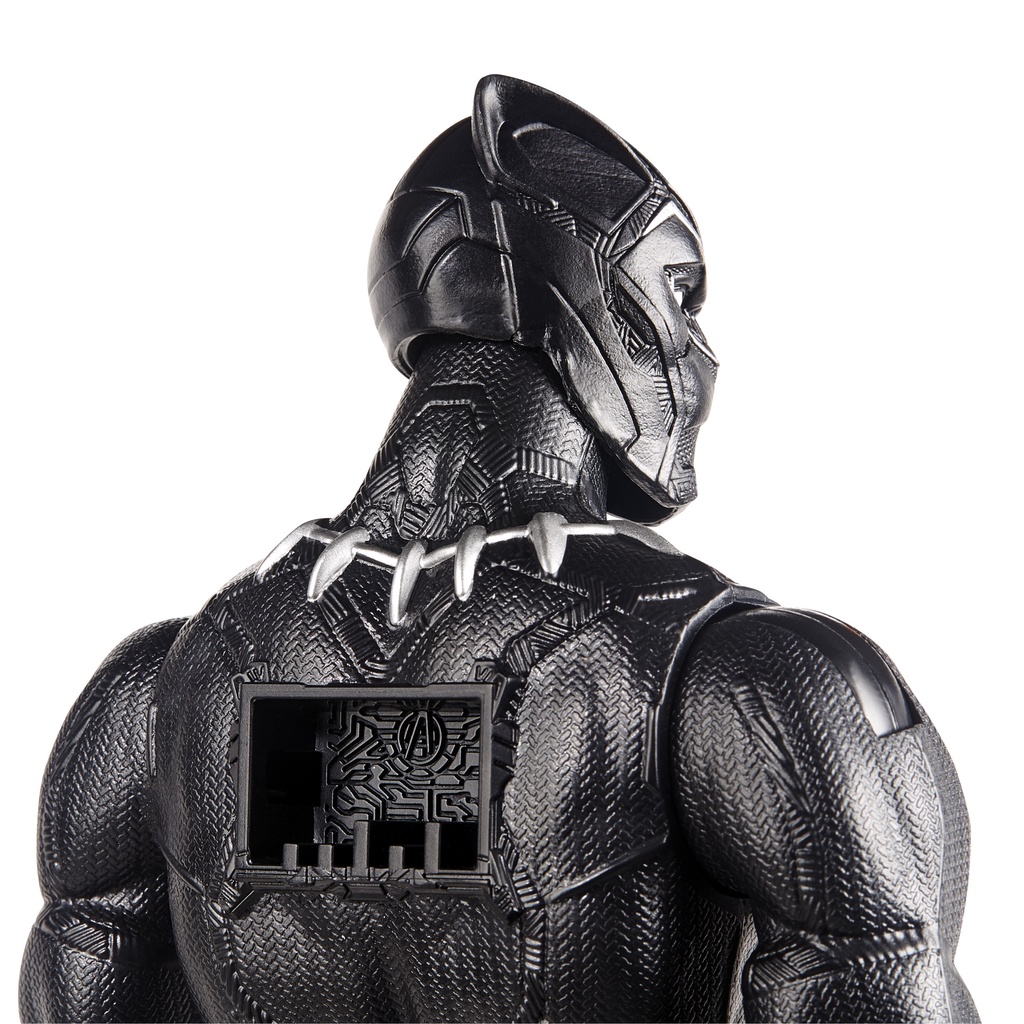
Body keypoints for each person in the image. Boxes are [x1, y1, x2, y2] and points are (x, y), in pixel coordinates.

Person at [20, 74, 977, 1023]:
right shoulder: (744, 676)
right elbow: (886, 983)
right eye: (680, 295)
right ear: (600, 301)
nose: (699, 350)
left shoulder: (162, 687)